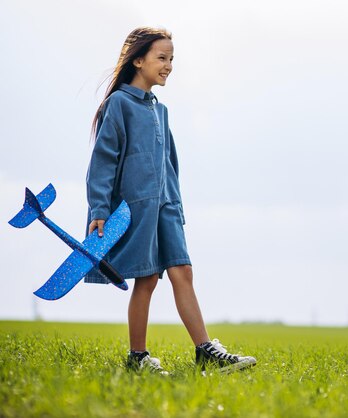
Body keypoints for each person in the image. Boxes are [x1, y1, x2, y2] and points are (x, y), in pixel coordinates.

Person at [85, 27, 255, 375]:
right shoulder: (119, 105)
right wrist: (100, 209)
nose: (169, 66)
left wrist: (176, 207)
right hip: (138, 208)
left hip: (167, 207)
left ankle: (205, 351)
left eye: (172, 59)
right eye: (162, 58)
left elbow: (170, 166)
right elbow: (103, 161)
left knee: (183, 271)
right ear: (138, 60)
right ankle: (138, 357)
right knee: (146, 280)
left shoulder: (160, 110)